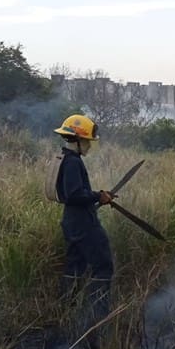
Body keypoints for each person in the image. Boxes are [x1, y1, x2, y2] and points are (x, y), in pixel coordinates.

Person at [53, 114, 116, 333]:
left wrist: (97, 197)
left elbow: (75, 196)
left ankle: (66, 314)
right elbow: (74, 195)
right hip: (83, 225)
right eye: (87, 141)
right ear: (77, 140)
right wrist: (98, 196)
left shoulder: (67, 159)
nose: (89, 145)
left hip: (72, 222)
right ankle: (98, 319)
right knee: (103, 267)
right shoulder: (72, 163)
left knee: (75, 268)